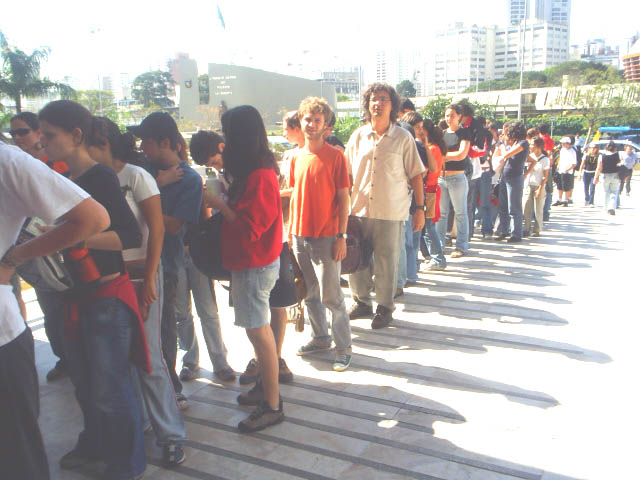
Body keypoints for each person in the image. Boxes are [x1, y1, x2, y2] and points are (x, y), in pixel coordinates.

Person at [38, 100, 146, 480]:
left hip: (105, 298)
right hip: (75, 297)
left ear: (76, 135)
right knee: (85, 386)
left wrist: (71, 236)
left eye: (49, 135)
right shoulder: (61, 178)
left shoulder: (100, 177)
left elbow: (129, 236)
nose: (43, 142)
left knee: (111, 388)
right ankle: (97, 446)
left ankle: (127, 465)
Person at [1, 141, 109, 480]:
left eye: (46, 135)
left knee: (16, 456)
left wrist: (13, 258)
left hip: (3, 339)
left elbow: (94, 219)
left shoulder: (8, 162)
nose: (41, 143)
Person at [87, 116, 188, 467]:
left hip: (142, 272)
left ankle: (171, 434)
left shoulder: (135, 176)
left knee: (149, 358)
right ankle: (141, 421)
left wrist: (149, 279)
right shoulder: (91, 180)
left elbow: (156, 230)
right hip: (108, 278)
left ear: (102, 143)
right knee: (122, 359)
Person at [206, 105, 284, 432]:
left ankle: (272, 405)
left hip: (255, 264)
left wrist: (219, 204)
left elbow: (251, 229)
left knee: (259, 332)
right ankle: (265, 389)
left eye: (228, 134)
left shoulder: (260, 176)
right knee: (257, 331)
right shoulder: (253, 172)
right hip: (249, 263)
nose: (224, 142)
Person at [128, 112, 203, 411]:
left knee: (164, 330)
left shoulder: (190, 180)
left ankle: (171, 388)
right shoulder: (142, 169)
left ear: (165, 143)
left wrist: (147, 196)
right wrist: (157, 182)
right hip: (131, 263)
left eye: (146, 142)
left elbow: (172, 226)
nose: (141, 148)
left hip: (165, 264)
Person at [346, 83, 425, 329]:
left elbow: (416, 175)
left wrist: (420, 209)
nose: (377, 103)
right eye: (373, 99)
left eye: (383, 99)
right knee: (356, 260)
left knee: (386, 263)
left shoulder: (403, 138)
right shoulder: (358, 136)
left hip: (390, 212)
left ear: (393, 106)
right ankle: (361, 302)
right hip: (358, 210)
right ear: (367, 104)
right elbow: (346, 174)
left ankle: (384, 307)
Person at [286, 97, 353, 370]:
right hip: (300, 236)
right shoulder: (295, 157)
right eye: (308, 119)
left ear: (325, 126)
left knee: (331, 296)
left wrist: (342, 236)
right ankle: (320, 338)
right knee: (310, 293)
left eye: (318, 120)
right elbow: (294, 195)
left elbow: (344, 199)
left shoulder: (336, 156)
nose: (312, 124)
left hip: (327, 236)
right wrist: (290, 231)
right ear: (300, 122)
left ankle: (343, 347)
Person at [238, 112, 299, 385]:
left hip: (272, 245)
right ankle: (263, 361)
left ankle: (273, 361)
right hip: (261, 248)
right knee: (256, 314)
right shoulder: (254, 165)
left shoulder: (263, 168)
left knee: (276, 305)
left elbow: (256, 221)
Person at [10, 112, 70, 381]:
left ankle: (76, 359)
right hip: (28, 248)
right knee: (50, 310)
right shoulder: (15, 166)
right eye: (13, 133)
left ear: (38, 133)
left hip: (59, 246)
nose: (17, 138)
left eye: (22, 131)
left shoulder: (56, 164)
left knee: (65, 306)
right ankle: (65, 359)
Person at [176, 131, 234, 384]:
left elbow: (206, 215)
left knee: (207, 309)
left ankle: (220, 361)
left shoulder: (191, 178)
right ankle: (189, 361)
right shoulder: (155, 177)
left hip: (195, 250)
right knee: (181, 312)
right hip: (173, 251)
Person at [436, 103, 471, 257]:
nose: (448, 118)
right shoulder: (442, 134)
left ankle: (461, 246)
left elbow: (461, 154)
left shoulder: (464, 133)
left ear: (459, 116)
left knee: (460, 213)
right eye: (447, 115)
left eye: (452, 115)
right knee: (441, 214)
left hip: (457, 178)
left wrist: (442, 157)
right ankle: (439, 245)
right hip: (441, 177)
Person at [494, 121, 528, 243]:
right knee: (503, 206)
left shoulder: (523, 143)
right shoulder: (515, 143)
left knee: (514, 207)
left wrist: (502, 147)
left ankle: (516, 234)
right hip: (505, 176)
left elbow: (506, 155)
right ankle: (504, 231)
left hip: (515, 178)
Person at [422, 118, 447, 270]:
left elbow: (426, 170)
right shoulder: (436, 147)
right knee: (428, 226)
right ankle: (434, 257)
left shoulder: (432, 149)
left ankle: (438, 258)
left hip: (429, 191)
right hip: (432, 190)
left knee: (429, 227)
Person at [523, 137, 550, 237]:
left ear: (538, 146)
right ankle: (526, 228)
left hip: (538, 185)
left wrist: (540, 188)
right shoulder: (529, 157)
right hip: (528, 184)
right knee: (526, 206)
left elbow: (545, 176)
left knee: (538, 208)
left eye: (532, 145)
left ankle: (537, 229)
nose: (530, 147)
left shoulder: (545, 159)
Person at [594, 141, 622, 215]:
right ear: (615, 148)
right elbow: (621, 165)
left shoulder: (602, 156)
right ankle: (611, 207)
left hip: (605, 175)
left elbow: (599, 168)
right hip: (615, 175)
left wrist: (595, 177)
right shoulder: (618, 155)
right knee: (614, 192)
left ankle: (606, 207)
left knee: (606, 192)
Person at [553, 137, 577, 207]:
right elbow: (561, 159)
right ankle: (559, 199)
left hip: (567, 172)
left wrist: (568, 169)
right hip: (560, 170)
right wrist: (558, 167)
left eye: (563, 143)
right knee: (559, 186)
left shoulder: (572, 151)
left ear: (568, 143)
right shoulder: (562, 150)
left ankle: (566, 200)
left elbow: (574, 164)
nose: (562, 144)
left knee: (567, 187)